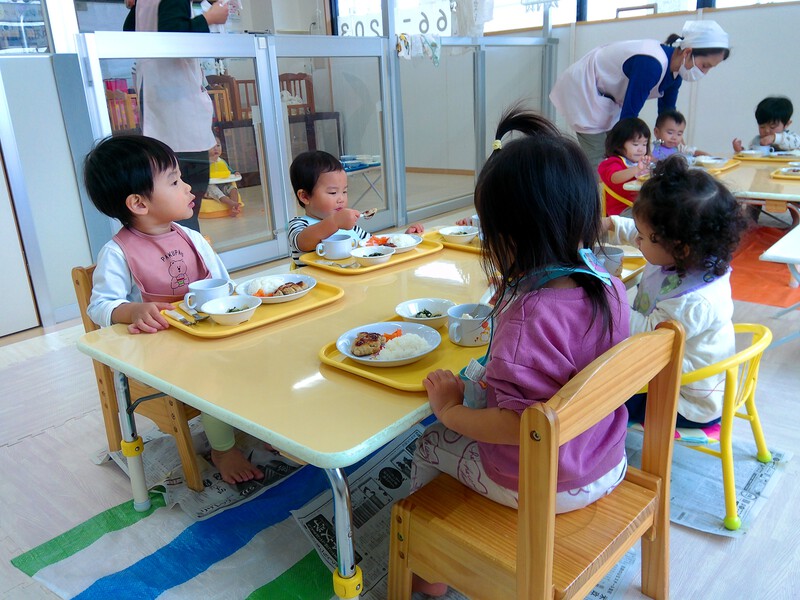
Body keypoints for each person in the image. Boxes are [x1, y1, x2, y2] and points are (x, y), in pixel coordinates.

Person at [409, 107, 630, 597]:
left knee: (425, 446)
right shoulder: (608, 285)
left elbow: (513, 426)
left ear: (507, 237)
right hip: (608, 459)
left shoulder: (530, 316)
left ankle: (430, 576)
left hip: (545, 482)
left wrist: (447, 412)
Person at [83, 134, 263, 486]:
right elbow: (99, 306)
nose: (187, 187)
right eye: (174, 181)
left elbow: (223, 284)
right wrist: (133, 311)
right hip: (162, 351)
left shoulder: (191, 238)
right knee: (209, 374)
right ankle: (222, 449)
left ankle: (258, 417)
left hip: (204, 333)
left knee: (261, 348)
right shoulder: (118, 252)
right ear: (138, 203)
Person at [604, 155, 748, 429]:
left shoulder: (693, 301)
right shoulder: (692, 255)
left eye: (643, 238)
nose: (637, 240)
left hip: (687, 400)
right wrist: (610, 225)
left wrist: (610, 289)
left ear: (679, 247)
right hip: (679, 375)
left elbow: (646, 334)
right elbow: (646, 233)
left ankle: (600, 459)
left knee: (598, 394)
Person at [550, 20, 730, 169]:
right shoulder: (651, 64)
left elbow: (666, 116)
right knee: (602, 161)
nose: (704, 73)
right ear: (688, 52)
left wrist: (675, 142)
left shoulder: (676, 75)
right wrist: (645, 155)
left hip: (608, 97)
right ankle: (598, 207)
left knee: (621, 155)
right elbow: (629, 117)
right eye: (705, 65)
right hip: (585, 88)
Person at [123, 0, 229, 232]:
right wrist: (209, 18)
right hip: (179, 120)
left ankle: (179, 251)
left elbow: (130, 33)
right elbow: (176, 38)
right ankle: (188, 256)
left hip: (161, 115)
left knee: (169, 204)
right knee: (185, 203)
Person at [288, 150, 424, 267]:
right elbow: (303, 243)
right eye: (333, 193)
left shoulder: (349, 226)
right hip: (321, 289)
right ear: (305, 196)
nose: (341, 198)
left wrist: (405, 239)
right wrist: (335, 222)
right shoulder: (299, 224)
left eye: (345, 192)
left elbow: (376, 245)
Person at [598, 117, 652, 216]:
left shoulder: (639, 163)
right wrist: (636, 169)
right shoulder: (613, 162)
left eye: (644, 144)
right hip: (621, 209)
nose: (641, 149)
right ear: (619, 145)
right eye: (635, 144)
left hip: (639, 205)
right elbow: (614, 177)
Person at [732, 96, 800, 152]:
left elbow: (796, 143)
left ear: (787, 124)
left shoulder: (791, 137)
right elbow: (753, 155)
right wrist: (740, 151)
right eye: (762, 127)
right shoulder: (757, 140)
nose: (767, 131)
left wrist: (775, 138)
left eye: (772, 127)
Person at [204, 137, 243, 216]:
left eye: (218, 146)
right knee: (213, 188)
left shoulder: (222, 161)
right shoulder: (204, 162)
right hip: (209, 187)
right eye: (212, 147)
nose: (216, 149)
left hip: (223, 185)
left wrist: (235, 172)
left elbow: (229, 171)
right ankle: (232, 203)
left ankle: (234, 209)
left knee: (233, 189)